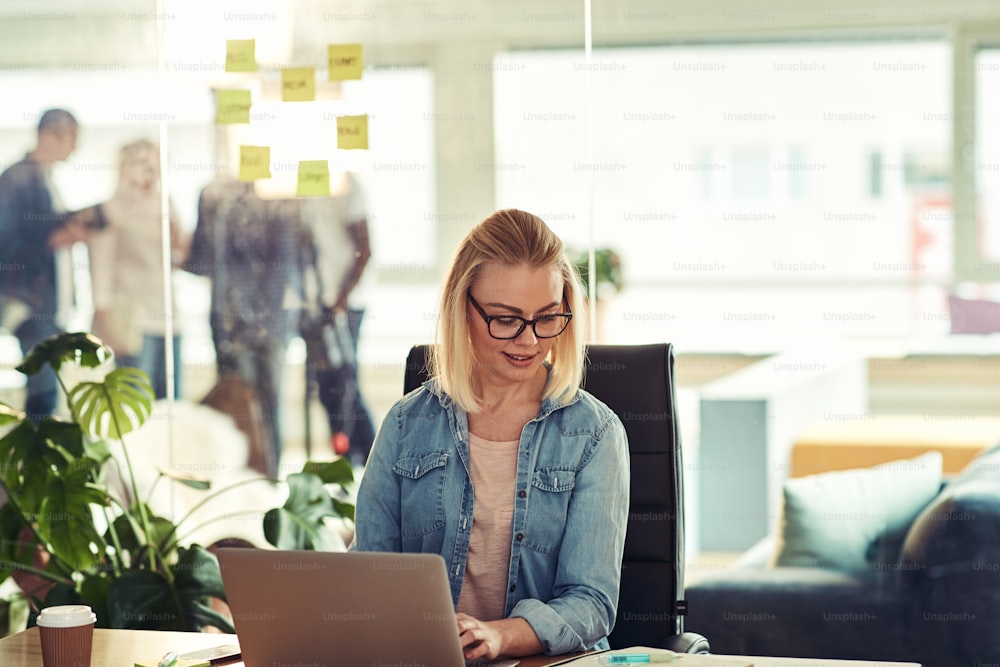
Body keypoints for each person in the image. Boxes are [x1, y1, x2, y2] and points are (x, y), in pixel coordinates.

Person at [352, 209, 630, 661]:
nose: (529, 340)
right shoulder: (406, 423)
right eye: (506, 319)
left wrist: (499, 635)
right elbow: (370, 572)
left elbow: (591, 603)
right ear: (463, 308)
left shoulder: (594, 434)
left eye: (546, 318)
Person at [184, 174, 303, 478]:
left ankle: (269, 482)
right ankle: (241, 480)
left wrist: (260, 316)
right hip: (229, 320)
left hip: (267, 322)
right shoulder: (212, 194)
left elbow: (285, 262)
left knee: (268, 405)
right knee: (237, 407)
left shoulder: (275, 193)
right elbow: (203, 261)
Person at [0, 108, 95, 420]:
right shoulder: (18, 178)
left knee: (48, 389)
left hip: (47, 303)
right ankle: (36, 464)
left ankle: (39, 459)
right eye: (71, 138)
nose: (74, 147)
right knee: (43, 390)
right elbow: (10, 238)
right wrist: (55, 236)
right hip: (32, 303)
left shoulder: (42, 178)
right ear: (50, 135)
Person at [87, 139, 189, 399]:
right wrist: (106, 326)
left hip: (169, 320)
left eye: (156, 168)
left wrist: (177, 240)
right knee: (135, 404)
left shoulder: (165, 204)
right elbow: (101, 272)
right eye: (144, 167)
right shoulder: (110, 210)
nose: (151, 175)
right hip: (132, 324)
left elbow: (179, 260)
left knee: (171, 406)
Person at [299, 171, 376, 466]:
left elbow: (364, 248)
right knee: (327, 391)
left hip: (344, 305)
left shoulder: (347, 183)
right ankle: (344, 461)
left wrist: (341, 300)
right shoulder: (296, 183)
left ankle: (370, 461)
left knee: (346, 387)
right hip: (314, 305)